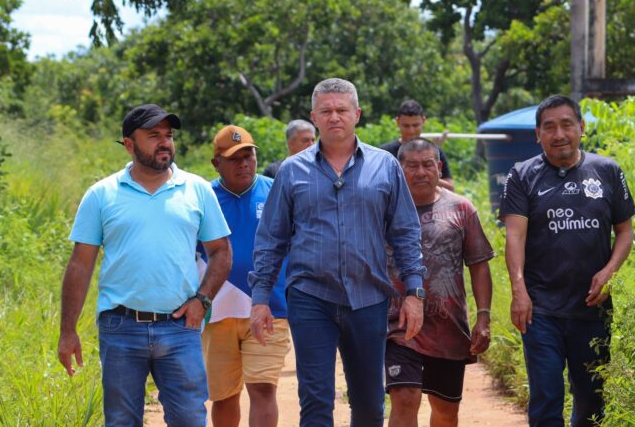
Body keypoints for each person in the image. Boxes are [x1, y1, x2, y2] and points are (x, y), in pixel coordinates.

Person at [250, 78, 426, 426]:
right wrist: (260, 298)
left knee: (369, 403)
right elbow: (272, 238)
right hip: (310, 297)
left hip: (368, 298)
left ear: (356, 114)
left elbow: (406, 232)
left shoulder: (385, 166)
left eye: (342, 110)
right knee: (315, 402)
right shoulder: (291, 171)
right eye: (326, 111)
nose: (335, 117)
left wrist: (414, 291)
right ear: (314, 117)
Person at [57, 104, 232, 426]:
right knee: (122, 420)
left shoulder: (197, 190)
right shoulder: (101, 195)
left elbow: (221, 251)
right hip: (120, 328)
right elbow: (80, 265)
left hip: (181, 327)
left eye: (168, 135)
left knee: (190, 420)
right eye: (153, 136)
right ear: (129, 144)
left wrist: (202, 300)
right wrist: (67, 331)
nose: (164, 142)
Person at [498, 95, 635, 427]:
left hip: (592, 308)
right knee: (546, 397)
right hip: (541, 308)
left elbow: (625, 231)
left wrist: (608, 272)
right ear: (538, 134)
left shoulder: (607, 170)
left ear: (581, 128)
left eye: (566, 124)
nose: (559, 134)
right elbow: (514, 236)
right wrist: (519, 291)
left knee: (591, 400)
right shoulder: (522, 175)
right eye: (549, 127)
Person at [385, 138, 494, 427]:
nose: (420, 172)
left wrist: (483, 317)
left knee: (446, 412)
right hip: (397, 326)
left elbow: (479, 265)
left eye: (427, 165)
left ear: (439, 167)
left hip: (448, 328)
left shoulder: (461, 209)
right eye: (412, 165)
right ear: (399, 168)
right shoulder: (383, 209)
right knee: (405, 397)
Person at [201, 125, 290, 427]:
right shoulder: (203, 198)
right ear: (217, 163)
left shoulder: (276, 190)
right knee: (224, 395)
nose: (244, 163)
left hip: (269, 306)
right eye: (234, 158)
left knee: (264, 387)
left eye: (248, 155)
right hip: (217, 310)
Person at [381, 99, 455, 191]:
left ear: (423, 121)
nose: (411, 131)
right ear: (398, 122)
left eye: (415, 125)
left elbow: (450, 188)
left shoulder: (435, 151)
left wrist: (428, 176)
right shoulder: (384, 153)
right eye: (406, 126)